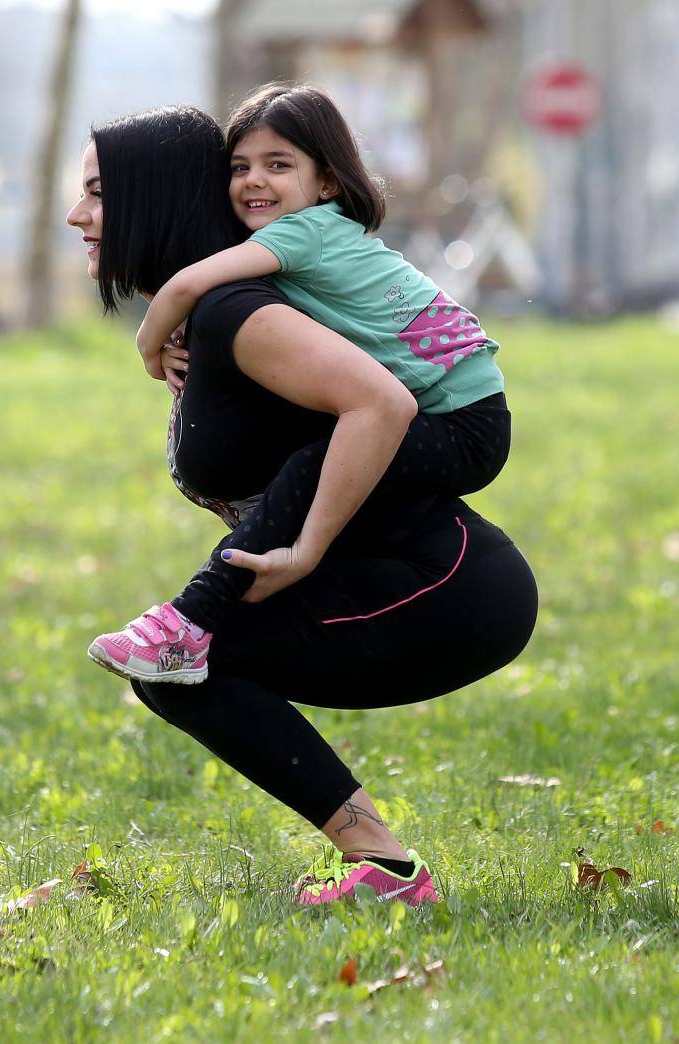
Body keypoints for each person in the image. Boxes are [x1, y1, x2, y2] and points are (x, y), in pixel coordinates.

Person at [65, 104, 537, 906]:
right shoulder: (216, 316)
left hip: (446, 585)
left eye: (100, 193)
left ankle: (387, 870)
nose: (78, 214)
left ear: (154, 197)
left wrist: (306, 548)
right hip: (393, 573)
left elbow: (381, 405)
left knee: (183, 655)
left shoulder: (237, 312)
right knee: (173, 667)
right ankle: (384, 868)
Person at [89, 84, 511, 685]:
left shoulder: (299, 234)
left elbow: (185, 285)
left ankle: (197, 617)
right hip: (471, 410)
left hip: (464, 423)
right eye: (240, 167)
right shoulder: (319, 236)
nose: (253, 181)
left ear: (328, 183)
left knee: (315, 463)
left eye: (277, 165)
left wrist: (148, 349)